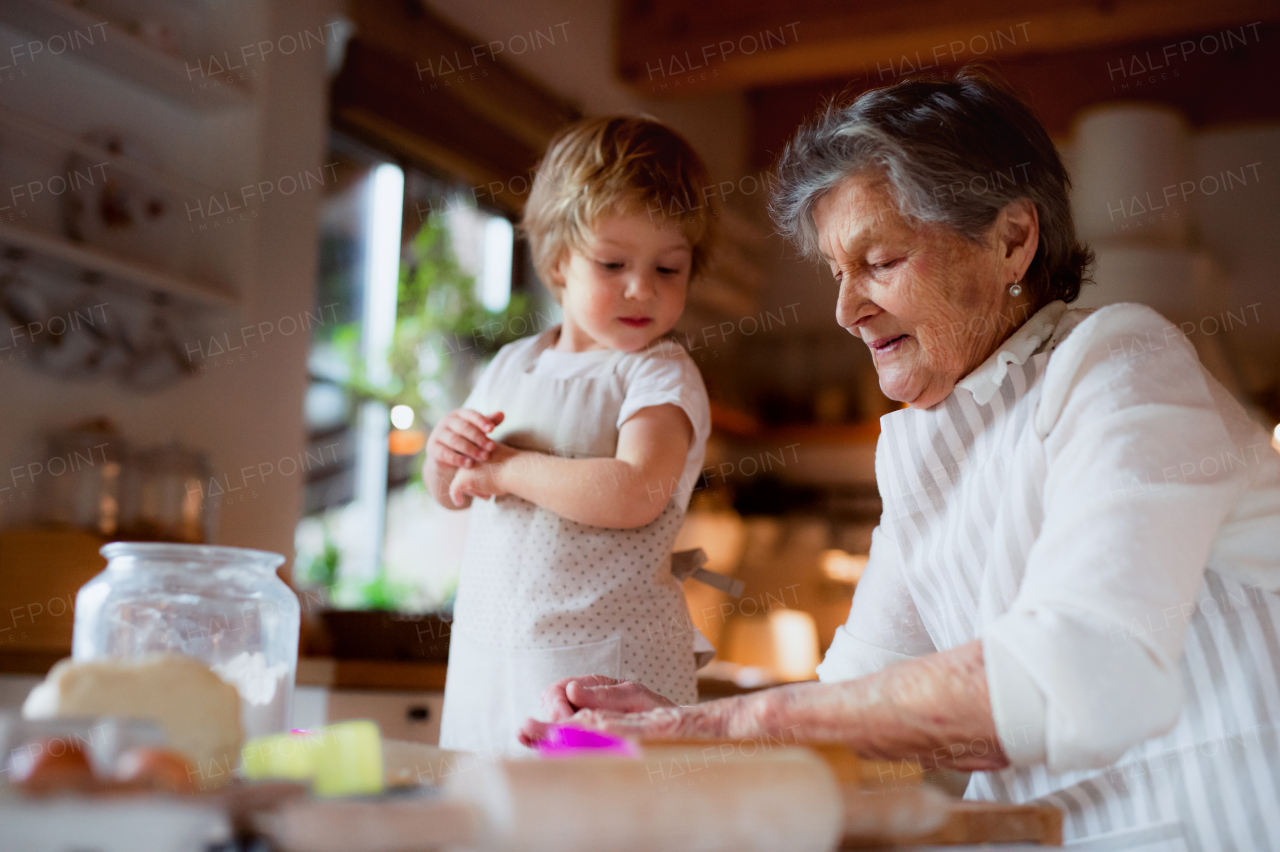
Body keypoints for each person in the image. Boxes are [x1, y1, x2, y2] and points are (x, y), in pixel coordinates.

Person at [521, 70, 1280, 851]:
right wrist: (662, 729)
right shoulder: (922, 451)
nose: (847, 310)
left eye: (879, 261)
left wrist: (725, 719)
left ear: (1012, 240)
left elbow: (1080, 672)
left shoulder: (1117, 360)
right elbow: (850, 731)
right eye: (836, 273)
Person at [429, 116, 718, 753]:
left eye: (668, 269)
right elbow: (452, 486)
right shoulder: (511, 364)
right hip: (491, 658)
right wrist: (444, 452)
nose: (641, 287)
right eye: (613, 263)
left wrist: (505, 471)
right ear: (559, 261)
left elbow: (637, 490)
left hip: (607, 672)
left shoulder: (659, 372)